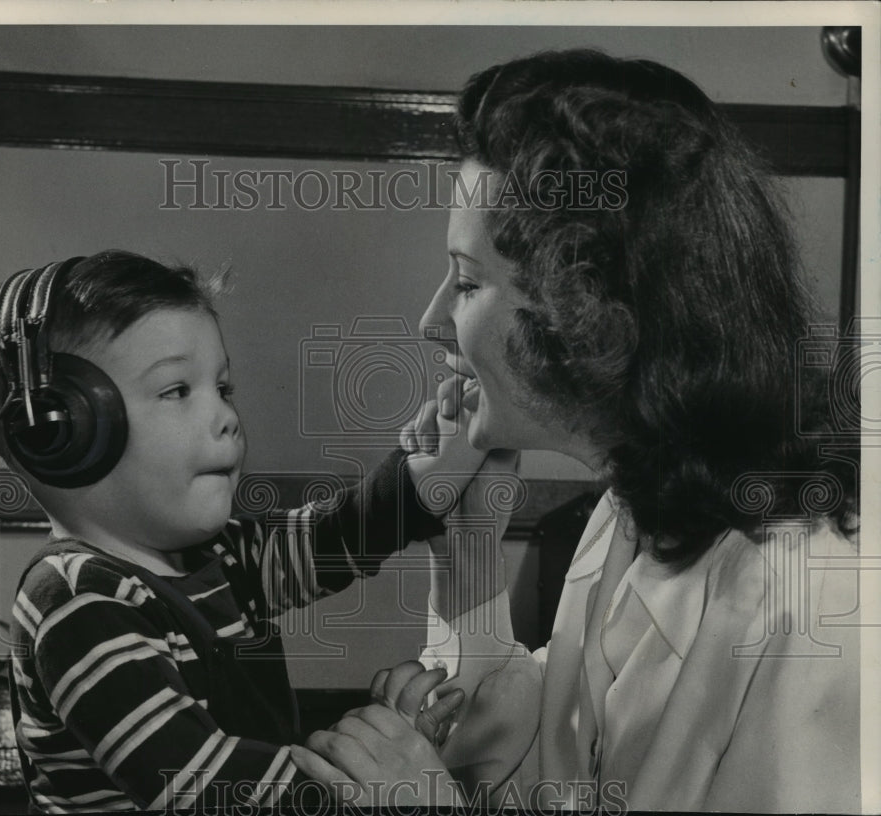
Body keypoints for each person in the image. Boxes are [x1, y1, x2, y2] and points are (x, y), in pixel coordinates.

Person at [289, 49, 862, 813]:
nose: (432, 322)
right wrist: (469, 547)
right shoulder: (632, 507)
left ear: (586, 311)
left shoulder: (815, 597)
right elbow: (563, 772)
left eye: (466, 283)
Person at [0, 249, 485, 813]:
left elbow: (335, 539)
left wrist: (426, 476)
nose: (227, 418)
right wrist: (368, 787)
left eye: (223, 389)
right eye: (177, 390)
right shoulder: (78, 601)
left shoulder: (217, 555)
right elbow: (196, 785)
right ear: (58, 434)